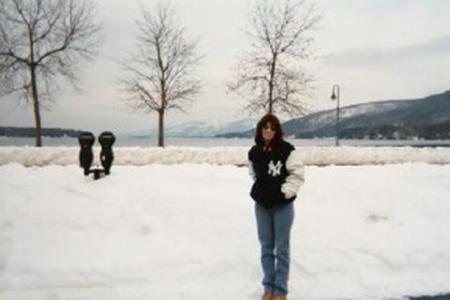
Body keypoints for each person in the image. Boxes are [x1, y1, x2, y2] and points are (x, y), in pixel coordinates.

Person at [248, 113, 305, 300]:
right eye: (265, 127)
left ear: (277, 130)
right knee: (265, 247)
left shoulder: (287, 150)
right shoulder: (254, 152)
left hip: (282, 207)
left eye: (272, 127)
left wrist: (283, 192)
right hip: (262, 206)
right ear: (260, 129)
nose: (269, 130)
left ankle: (280, 290)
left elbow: (297, 175)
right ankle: (268, 288)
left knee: (281, 248)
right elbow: (253, 173)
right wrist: (262, 190)